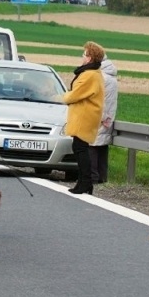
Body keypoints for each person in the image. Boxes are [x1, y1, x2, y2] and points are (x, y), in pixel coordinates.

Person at [57, 43, 106, 195]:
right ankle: (84, 182)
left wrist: (60, 98)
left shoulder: (89, 75)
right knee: (80, 148)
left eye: (84, 55)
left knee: (80, 148)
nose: (82, 57)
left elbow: (75, 94)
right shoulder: (92, 73)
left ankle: (85, 182)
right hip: (83, 115)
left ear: (89, 58)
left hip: (84, 116)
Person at [91, 53, 119, 182]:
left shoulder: (101, 77)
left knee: (93, 145)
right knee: (102, 146)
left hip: (100, 117)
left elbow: (98, 99)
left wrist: (100, 116)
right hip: (108, 116)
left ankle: (94, 177)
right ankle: (102, 177)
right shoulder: (111, 77)